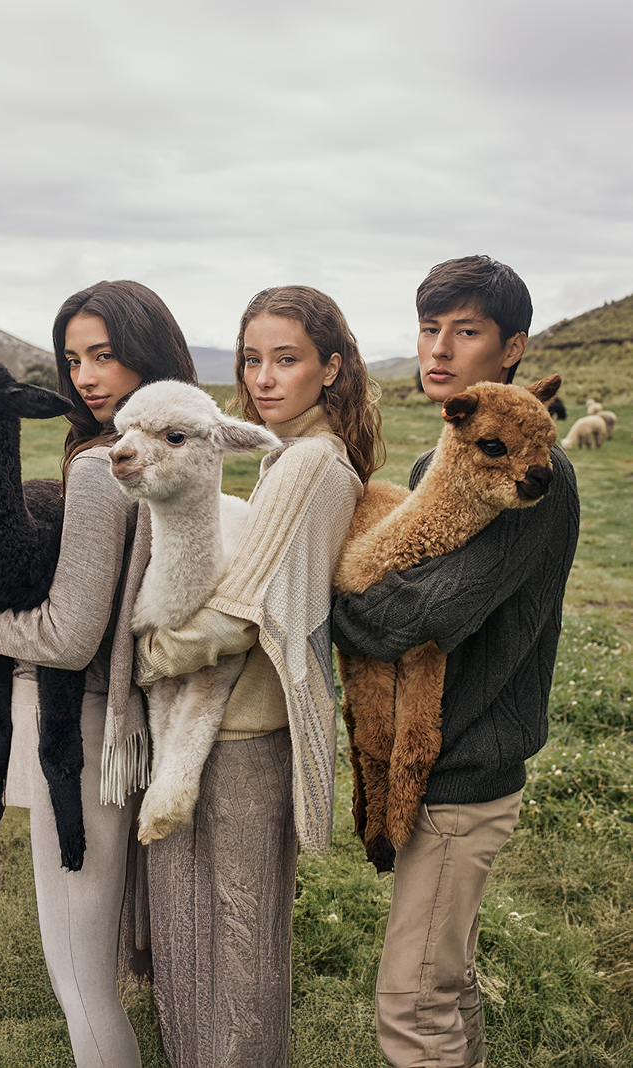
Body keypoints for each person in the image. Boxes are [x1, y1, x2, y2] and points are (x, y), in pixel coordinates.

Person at [332, 255, 581, 1068]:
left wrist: (325, 600)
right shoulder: (443, 461)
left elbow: (420, 615)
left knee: (411, 1001)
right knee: (447, 979)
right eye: (429, 329)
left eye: (465, 332)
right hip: (447, 761)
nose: (440, 349)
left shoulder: (534, 473)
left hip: (467, 766)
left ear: (511, 350)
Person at [0, 280, 197, 1068]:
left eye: (106, 355)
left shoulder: (100, 467)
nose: (85, 376)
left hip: (76, 730)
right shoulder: (168, 451)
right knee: (95, 966)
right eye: (73, 358)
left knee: (82, 978)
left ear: (147, 354)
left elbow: (66, 634)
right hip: (117, 726)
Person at [134, 285, 384, 1068]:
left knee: (231, 944)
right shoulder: (299, 457)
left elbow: (242, 611)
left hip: (242, 736)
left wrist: (149, 659)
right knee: (210, 932)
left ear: (331, 368)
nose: (266, 377)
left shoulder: (309, 461)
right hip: (239, 726)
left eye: (288, 359)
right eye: (252, 360)